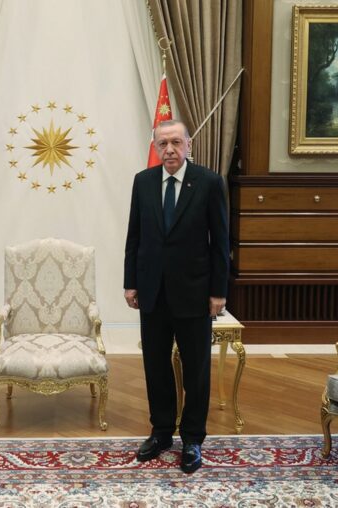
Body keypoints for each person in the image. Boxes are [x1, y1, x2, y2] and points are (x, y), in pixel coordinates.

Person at [123, 119, 229, 474]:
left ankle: (193, 438)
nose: (169, 150)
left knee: (196, 369)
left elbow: (221, 242)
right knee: (155, 365)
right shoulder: (143, 181)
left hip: (194, 293)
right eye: (163, 144)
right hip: (152, 291)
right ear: (155, 147)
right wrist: (131, 282)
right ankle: (161, 432)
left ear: (188, 144)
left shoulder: (209, 182)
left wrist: (218, 291)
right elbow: (134, 236)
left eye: (176, 142)